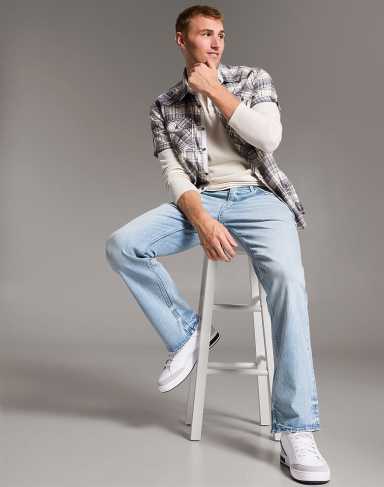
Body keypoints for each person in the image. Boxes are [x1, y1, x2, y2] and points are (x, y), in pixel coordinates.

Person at [105, 5, 330, 484]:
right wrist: (203, 220)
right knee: (123, 245)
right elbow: (173, 174)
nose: (215, 43)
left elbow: (268, 138)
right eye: (205, 34)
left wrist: (216, 91)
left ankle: (297, 429)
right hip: (202, 200)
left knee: (289, 284)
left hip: (259, 198)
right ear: (181, 40)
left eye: (221, 35)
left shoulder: (252, 79)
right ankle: (187, 333)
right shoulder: (164, 105)